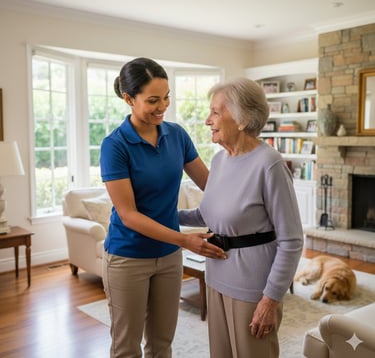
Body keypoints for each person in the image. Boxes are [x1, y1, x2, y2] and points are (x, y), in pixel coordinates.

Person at [100, 57, 226, 358]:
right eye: (153, 100)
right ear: (128, 98)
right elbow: (129, 215)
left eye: (166, 97)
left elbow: (211, 184)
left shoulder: (177, 135)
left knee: (162, 344)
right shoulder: (114, 146)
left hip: (168, 259)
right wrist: (185, 239)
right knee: (126, 347)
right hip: (128, 257)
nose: (163, 106)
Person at [179, 77, 304, 358]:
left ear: (242, 119)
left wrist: (270, 300)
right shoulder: (220, 160)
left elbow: (292, 240)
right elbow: (209, 214)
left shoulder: (269, 164)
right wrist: (162, 216)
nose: (207, 120)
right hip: (215, 277)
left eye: (215, 112)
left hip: (253, 287)